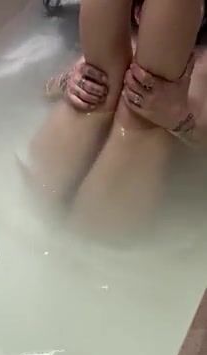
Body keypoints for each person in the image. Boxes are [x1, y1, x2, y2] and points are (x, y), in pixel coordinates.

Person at [27, 0, 206, 235]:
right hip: (129, 172)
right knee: (118, 96)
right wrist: (70, 82)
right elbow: (46, 90)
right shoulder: (126, 43)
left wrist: (178, 120)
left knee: (34, 206)